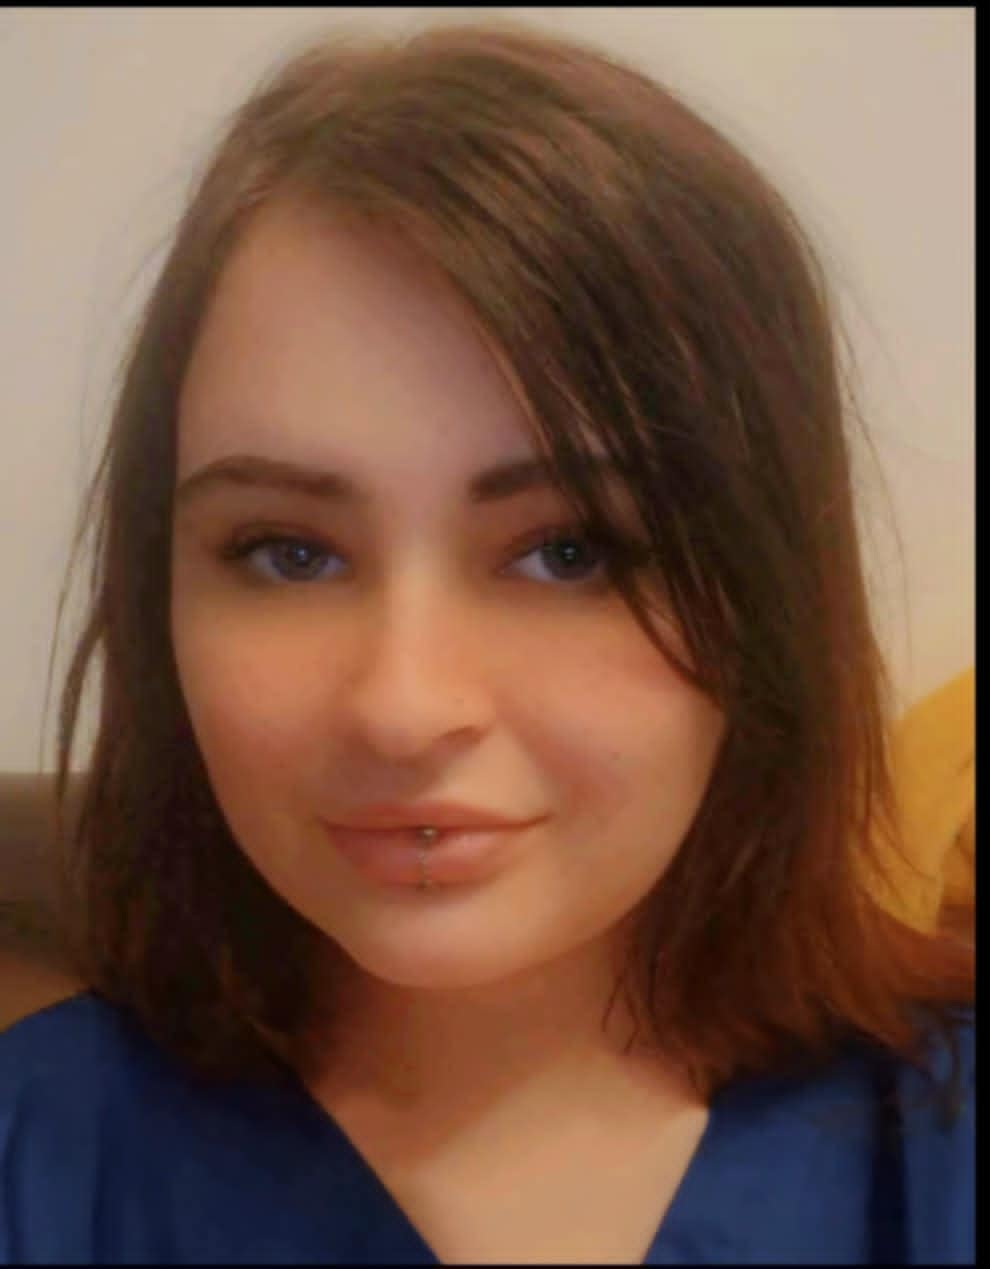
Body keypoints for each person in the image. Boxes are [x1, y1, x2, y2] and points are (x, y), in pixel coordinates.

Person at [0, 20, 974, 1265]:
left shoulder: (938, 1164)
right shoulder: (35, 1166)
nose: (403, 707)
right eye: (288, 552)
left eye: (570, 551)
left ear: (771, 596)